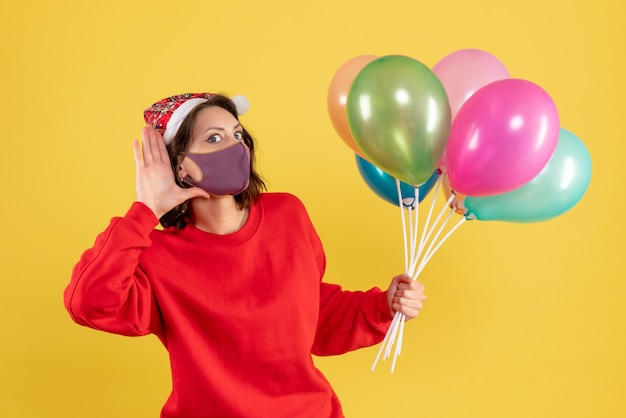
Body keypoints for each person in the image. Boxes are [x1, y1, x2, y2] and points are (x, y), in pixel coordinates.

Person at [64, 92, 426, 418]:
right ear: (179, 166)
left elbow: (316, 315)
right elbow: (88, 303)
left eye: (237, 135)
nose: (235, 147)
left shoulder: (289, 214)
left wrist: (385, 306)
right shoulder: (156, 256)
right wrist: (145, 210)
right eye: (214, 138)